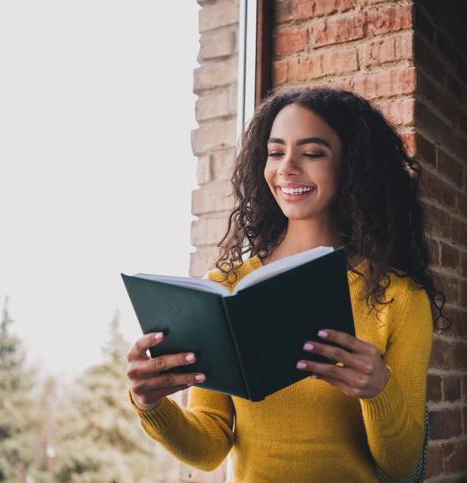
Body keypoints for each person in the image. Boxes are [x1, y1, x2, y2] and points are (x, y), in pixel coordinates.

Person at [126, 88, 444, 482]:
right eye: (276, 152)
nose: (287, 168)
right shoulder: (226, 288)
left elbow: (402, 465)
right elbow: (209, 449)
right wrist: (150, 405)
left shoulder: (399, 298)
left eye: (312, 153)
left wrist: (379, 388)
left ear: (353, 167)